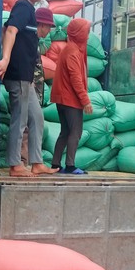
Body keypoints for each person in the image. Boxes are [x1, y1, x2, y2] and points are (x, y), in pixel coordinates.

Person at [0, 0, 57, 177]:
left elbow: (4, 29)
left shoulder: (29, 11)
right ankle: (15, 165)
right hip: (18, 75)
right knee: (19, 121)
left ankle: (37, 162)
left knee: (37, 118)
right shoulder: (23, 6)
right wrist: (5, 59)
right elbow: (10, 30)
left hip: (26, 78)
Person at [49, 18, 93, 174]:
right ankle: (70, 165)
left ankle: (55, 164)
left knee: (65, 131)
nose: (88, 36)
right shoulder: (73, 52)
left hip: (62, 99)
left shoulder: (70, 49)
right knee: (76, 132)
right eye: (86, 32)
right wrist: (85, 101)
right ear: (79, 33)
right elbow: (76, 80)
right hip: (70, 100)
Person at [21, 7, 56, 166]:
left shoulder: (34, 41)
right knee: (26, 126)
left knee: (32, 124)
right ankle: (23, 161)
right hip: (28, 90)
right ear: (41, 24)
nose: (49, 31)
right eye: (49, 27)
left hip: (33, 91)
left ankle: (28, 162)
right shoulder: (28, 39)